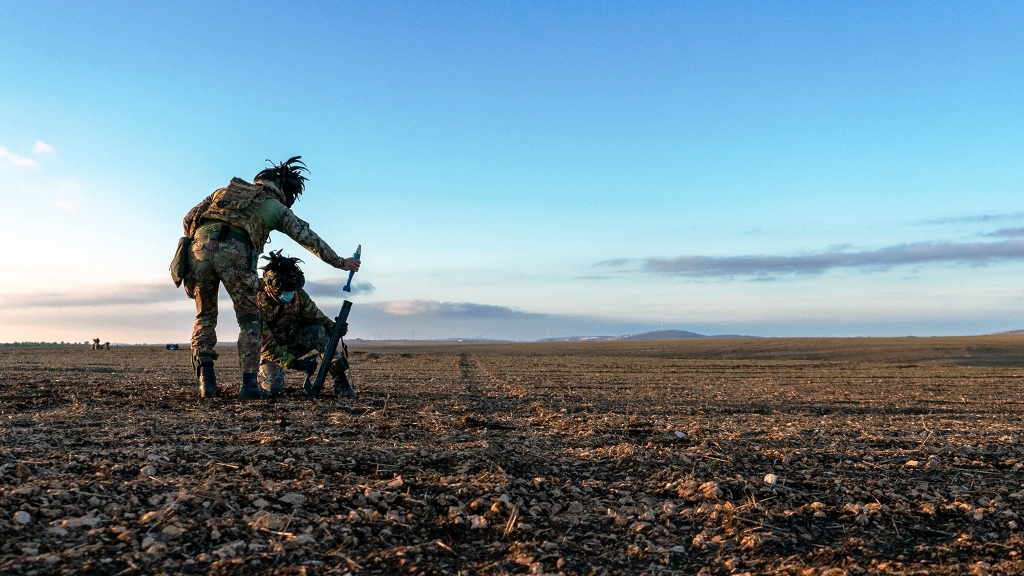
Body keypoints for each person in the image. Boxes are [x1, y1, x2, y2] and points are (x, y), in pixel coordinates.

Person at [179, 156, 360, 400]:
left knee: (205, 316)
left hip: (197, 250)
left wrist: (202, 244)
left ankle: (207, 383)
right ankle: (249, 385)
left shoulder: (222, 192)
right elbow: (307, 237)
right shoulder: (272, 206)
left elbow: (189, 218)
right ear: (281, 190)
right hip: (236, 251)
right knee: (250, 321)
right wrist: (340, 262)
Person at [256, 251, 357, 397]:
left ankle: (340, 382)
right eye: (286, 290)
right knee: (274, 390)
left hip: (293, 343)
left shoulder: (298, 295)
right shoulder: (255, 304)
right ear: (272, 286)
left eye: (292, 289)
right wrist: (296, 364)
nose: (290, 294)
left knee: (319, 331)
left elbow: (316, 317)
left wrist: (334, 327)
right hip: (270, 353)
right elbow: (267, 348)